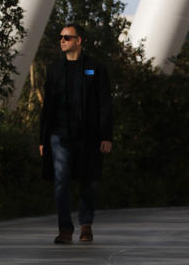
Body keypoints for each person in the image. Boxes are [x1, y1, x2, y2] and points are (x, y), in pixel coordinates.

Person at [38, 23, 113, 244]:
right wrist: (42, 139)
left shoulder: (94, 68)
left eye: (67, 37)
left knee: (88, 181)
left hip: (88, 136)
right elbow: (47, 106)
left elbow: (104, 103)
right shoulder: (54, 69)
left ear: (79, 40)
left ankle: (86, 225)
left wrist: (106, 135)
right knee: (61, 181)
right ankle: (65, 229)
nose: (62, 41)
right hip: (59, 135)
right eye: (60, 37)